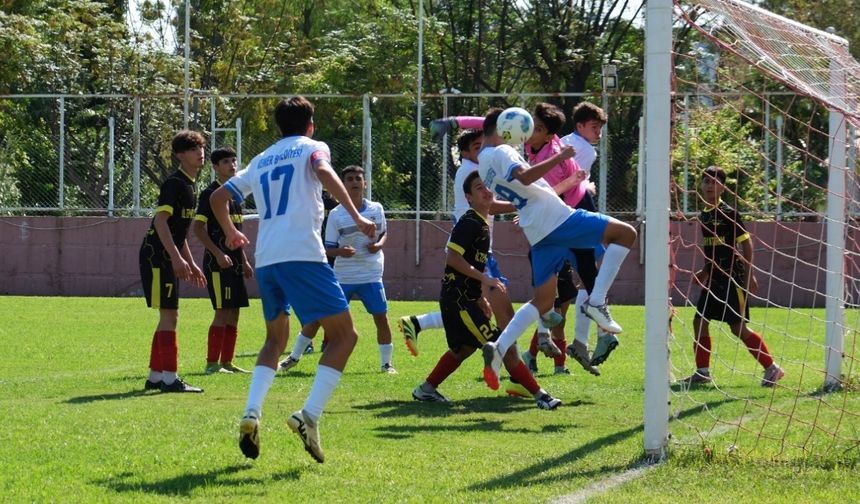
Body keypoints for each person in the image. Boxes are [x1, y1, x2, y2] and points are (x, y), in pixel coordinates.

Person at [210, 96, 376, 464]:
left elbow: (220, 198)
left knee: (274, 339)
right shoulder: (314, 148)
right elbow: (324, 171)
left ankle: (251, 413)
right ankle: (309, 416)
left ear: (278, 127)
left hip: (267, 258)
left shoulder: (263, 158)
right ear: (310, 125)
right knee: (345, 336)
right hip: (302, 254)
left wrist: (231, 233)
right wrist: (355, 214)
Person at [478, 107, 637, 391]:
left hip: (536, 230)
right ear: (505, 128)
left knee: (542, 302)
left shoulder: (483, 161)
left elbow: (516, 192)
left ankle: (499, 349)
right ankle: (597, 301)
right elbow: (526, 178)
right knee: (626, 233)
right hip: (557, 218)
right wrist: (559, 157)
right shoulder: (503, 152)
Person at [412, 171, 561, 410]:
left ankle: (425, 389)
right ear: (469, 197)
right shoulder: (470, 221)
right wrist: (486, 280)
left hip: (467, 297)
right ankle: (541, 396)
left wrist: (481, 296)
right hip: (459, 299)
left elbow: (473, 262)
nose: (486, 191)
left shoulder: (482, 224)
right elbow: (452, 257)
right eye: (479, 188)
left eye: (488, 187)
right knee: (502, 348)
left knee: (464, 348)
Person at [398, 128, 515, 355]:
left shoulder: (475, 170)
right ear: (463, 153)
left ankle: (418, 323)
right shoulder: (471, 172)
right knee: (498, 307)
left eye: (484, 146)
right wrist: (524, 203)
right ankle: (507, 361)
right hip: (471, 248)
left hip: (474, 246)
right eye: (477, 147)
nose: (483, 151)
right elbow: (491, 205)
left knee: (471, 306)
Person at [280, 165, 397, 374]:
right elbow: (328, 249)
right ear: (343, 185)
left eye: (358, 178)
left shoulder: (376, 208)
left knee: (381, 317)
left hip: (371, 273)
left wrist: (379, 245)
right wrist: (341, 252)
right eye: (350, 179)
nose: (354, 182)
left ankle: (386, 364)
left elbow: (383, 233)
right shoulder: (336, 214)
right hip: (343, 275)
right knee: (318, 317)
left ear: (365, 183)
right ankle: (294, 357)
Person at [680, 166, 784, 387]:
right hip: (714, 279)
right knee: (699, 321)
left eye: (714, 182)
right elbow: (714, 248)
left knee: (738, 328)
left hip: (731, 279)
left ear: (722, 187)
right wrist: (705, 271)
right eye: (706, 181)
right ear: (701, 185)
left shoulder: (729, 213)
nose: (710, 185)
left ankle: (772, 368)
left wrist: (749, 275)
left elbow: (746, 244)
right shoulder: (704, 215)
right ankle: (702, 371)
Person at [521, 102, 599, 376]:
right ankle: (543, 349)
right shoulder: (535, 146)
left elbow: (568, 183)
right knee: (560, 292)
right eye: (595, 127)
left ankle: (585, 333)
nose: (598, 133)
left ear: (549, 133)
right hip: (559, 215)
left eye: (536, 127)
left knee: (579, 278)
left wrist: (527, 207)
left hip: (572, 210)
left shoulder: (577, 149)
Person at [139, 130, 207, 393]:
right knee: (170, 315)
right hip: (157, 255)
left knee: (168, 315)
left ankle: (156, 377)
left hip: (167, 255)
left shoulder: (190, 185)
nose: (199, 152)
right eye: (192, 148)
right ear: (180, 155)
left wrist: (189, 262)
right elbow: (160, 222)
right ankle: (170, 379)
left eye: (201, 147)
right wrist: (176, 259)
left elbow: (180, 233)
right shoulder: (175, 184)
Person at [559, 101, 619, 371]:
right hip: (572, 218)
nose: (599, 133)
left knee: (568, 286)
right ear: (580, 125)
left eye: (600, 128)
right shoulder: (584, 150)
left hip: (555, 218)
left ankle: (578, 343)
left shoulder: (563, 142)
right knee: (600, 268)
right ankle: (599, 335)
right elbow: (572, 184)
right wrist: (587, 188)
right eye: (594, 127)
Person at [192, 146, 253, 375]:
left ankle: (227, 362)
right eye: (226, 162)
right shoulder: (210, 194)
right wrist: (217, 253)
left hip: (235, 262)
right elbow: (197, 229)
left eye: (234, 161)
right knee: (222, 310)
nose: (232, 165)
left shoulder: (234, 196)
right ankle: (211, 363)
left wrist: (244, 260)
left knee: (235, 311)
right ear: (215, 167)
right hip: (218, 263)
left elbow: (235, 232)